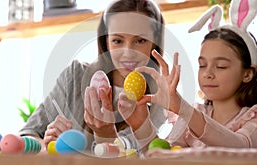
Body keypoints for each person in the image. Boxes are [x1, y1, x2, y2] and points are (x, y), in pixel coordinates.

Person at [19, 0, 166, 154]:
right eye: (117, 41)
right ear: (106, 40)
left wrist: (106, 135)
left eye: (140, 41)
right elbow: (26, 135)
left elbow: (134, 153)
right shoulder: (75, 76)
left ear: (155, 42)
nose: (128, 52)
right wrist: (47, 146)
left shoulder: (160, 99)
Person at [137, 0, 257, 148]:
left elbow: (239, 147)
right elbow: (164, 157)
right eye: (202, 65)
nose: (207, 73)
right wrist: (139, 123)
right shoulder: (196, 116)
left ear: (248, 74)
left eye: (221, 66)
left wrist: (184, 109)